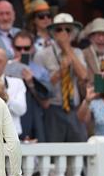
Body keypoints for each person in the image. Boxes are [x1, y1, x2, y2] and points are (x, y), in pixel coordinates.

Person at [34, 13, 88, 142]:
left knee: (78, 153)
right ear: (53, 33)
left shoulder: (78, 52)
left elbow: (84, 76)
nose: (63, 33)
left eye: (67, 30)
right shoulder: (42, 55)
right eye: (59, 29)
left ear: (73, 33)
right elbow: (40, 88)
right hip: (53, 109)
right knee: (54, 154)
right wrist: (60, 72)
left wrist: (67, 49)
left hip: (74, 108)